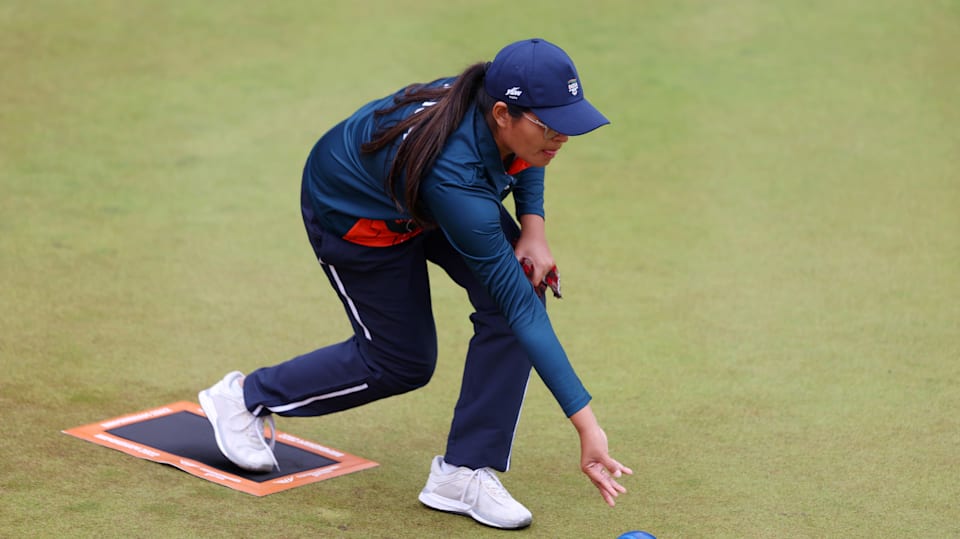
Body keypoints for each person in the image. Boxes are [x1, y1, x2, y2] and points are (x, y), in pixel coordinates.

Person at [198, 38, 632, 530]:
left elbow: (527, 158)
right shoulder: (455, 172)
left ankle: (462, 472)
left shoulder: (501, 117)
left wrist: (533, 227)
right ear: (502, 114)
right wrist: (587, 426)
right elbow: (520, 311)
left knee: (522, 283)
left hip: (426, 201)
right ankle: (244, 396)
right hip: (357, 215)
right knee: (402, 361)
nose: (563, 138)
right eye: (551, 125)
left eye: (567, 122)